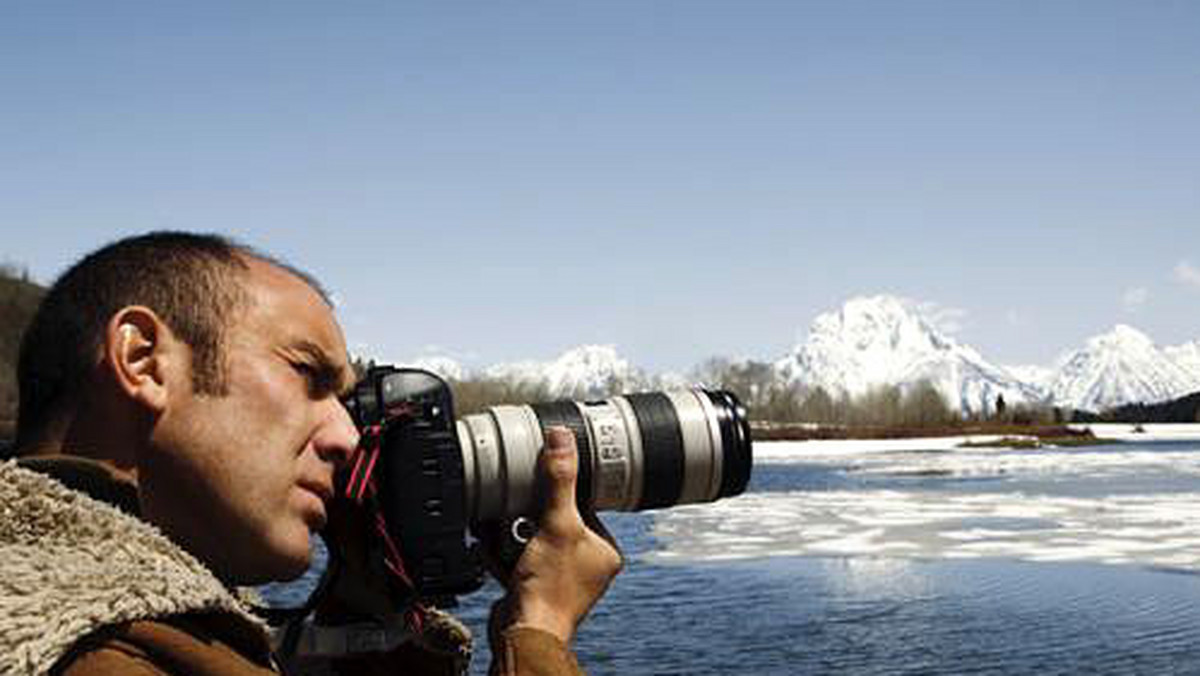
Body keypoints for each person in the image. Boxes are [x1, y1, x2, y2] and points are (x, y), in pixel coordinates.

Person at [0, 232, 622, 675]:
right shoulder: (108, 655)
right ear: (142, 361)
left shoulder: (155, 625)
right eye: (307, 375)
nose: (348, 437)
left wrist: (367, 601)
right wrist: (539, 631)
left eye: (346, 400)